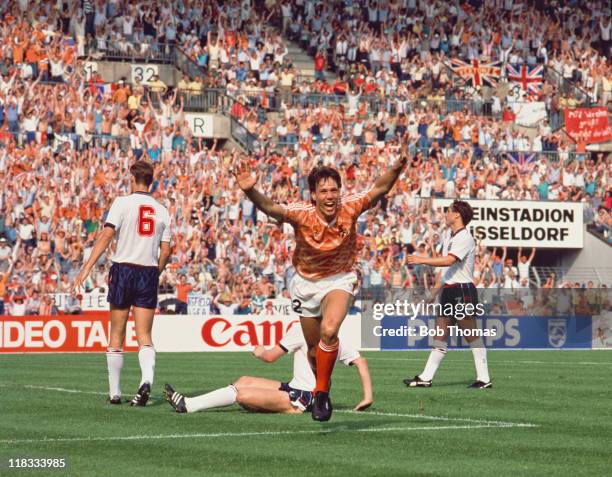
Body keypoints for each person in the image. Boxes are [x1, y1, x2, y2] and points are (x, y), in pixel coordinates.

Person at [232, 142, 408, 421]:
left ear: (340, 191)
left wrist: (396, 169)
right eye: (323, 191)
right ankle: (318, 388)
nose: (330, 196)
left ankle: (322, 394)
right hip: (305, 284)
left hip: (340, 278)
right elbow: (271, 208)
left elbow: (379, 188)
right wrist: (250, 190)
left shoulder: (350, 207)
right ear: (313, 195)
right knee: (314, 352)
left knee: (330, 330)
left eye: (334, 190)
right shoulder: (301, 213)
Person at [72, 161, 172, 406]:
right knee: (145, 335)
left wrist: (86, 268)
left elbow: (107, 234)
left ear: (132, 179)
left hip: (123, 269)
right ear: (151, 182)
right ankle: (146, 379)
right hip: (147, 270)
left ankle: (115, 393)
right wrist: (155, 273)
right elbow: (166, 249)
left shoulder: (122, 203)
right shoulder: (161, 209)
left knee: (116, 333)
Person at [164, 323, 373, 414]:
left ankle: (189, 404)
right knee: (243, 380)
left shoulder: (301, 330)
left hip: (303, 399)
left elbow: (270, 357)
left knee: (242, 395)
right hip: (296, 389)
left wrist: (259, 351)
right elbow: (361, 362)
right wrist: (367, 397)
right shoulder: (335, 339)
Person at [405, 200, 492, 389]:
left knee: (471, 334)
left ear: (457, 215)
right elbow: (446, 273)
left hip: (462, 290)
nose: (446, 214)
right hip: (449, 290)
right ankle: (426, 377)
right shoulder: (450, 237)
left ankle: (484, 379)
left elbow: (449, 261)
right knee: (440, 335)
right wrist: (432, 294)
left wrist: (421, 259)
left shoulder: (465, 237)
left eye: (448, 211)